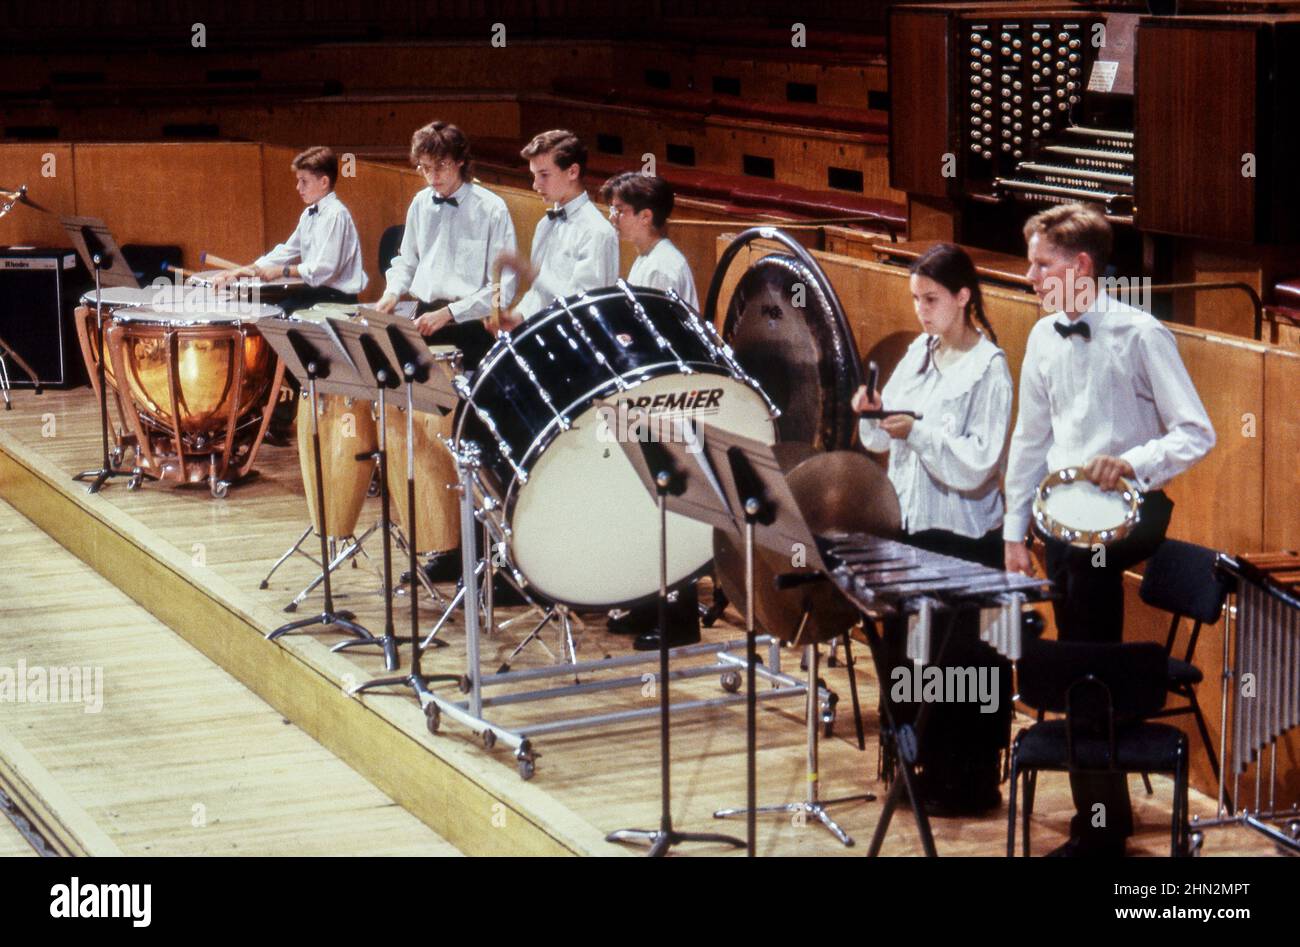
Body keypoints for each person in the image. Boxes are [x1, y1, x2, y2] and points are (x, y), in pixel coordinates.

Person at [1002, 202, 1215, 855]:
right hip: (1067, 516)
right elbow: (1029, 441)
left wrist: (1132, 462)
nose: (1030, 275)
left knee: (1084, 641)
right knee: (1080, 642)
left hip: (1135, 507)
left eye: (1042, 263)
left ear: (1080, 265)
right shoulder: (1042, 337)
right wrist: (1014, 531)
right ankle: (1103, 796)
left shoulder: (1140, 333)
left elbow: (1195, 432)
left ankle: (1099, 823)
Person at [850, 242, 1014, 813]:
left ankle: (967, 780)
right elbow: (880, 440)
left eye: (932, 299)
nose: (921, 311)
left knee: (961, 665)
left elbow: (978, 464)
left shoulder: (989, 368)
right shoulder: (919, 351)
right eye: (916, 299)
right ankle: (919, 764)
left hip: (963, 540)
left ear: (964, 297)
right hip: (913, 527)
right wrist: (871, 413)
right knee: (912, 658)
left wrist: (915, 433)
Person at [215, 146, 367, 441]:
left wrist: (282, 273)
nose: (298, 188)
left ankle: (297, 407)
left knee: (281, 318)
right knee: (268, 317)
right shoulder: (310, 214)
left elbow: (324, 269)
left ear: (324, 182)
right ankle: (278, 413)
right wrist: (241, 271)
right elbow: (284, 252)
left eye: (304, 181)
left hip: (336, 300)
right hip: (316, 296)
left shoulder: (337, 215)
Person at [375, 120, 518, 371]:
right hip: (423, 316)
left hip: (470, 324)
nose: (432, 177)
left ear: (461, 160)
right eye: (426, 168)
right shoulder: (420, 203)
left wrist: (449, 313)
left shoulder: (492, 209)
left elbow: (502, 289)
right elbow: (407, 262)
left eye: (441, 166)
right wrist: (392, 292)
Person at [500, 130, 618, 327]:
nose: (535, 184)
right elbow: (539, 294)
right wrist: (519, 317)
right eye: (534, 175)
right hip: (546, 334)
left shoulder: (597, 231)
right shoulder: (545, 224)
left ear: (572, 172)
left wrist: (531, 271)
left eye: (544, 175)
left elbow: (583, 305)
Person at [600, 171, 697, 309]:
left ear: (646, 216)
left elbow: (657, 328)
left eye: (620, 211)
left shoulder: (660, 268)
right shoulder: (648, 256)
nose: (612, 217)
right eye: (612, 210)